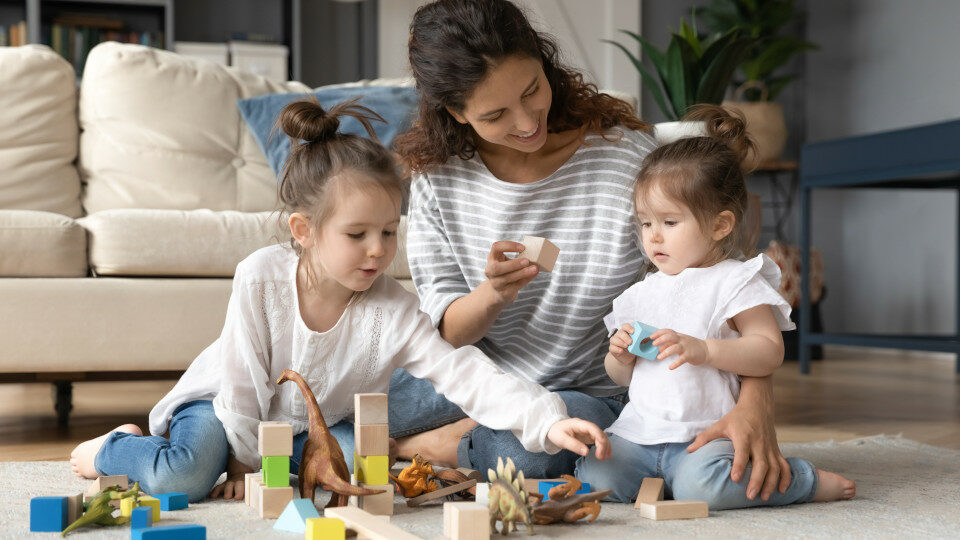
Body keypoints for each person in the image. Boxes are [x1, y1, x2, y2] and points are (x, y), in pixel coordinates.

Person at [68, 98, 610, 502]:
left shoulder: (391, 304)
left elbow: (462, 371)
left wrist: (545, 421)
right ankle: (112, 448)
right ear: (304, 230)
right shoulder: (261, 278)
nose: (378, 251)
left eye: (389, 232)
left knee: (354, 475)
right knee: (184, 475)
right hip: (225, 409)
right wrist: (240, 462)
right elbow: (241, 381)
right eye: (357, 236)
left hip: (317, 423)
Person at [390, 0, 792, 502]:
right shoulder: (439, 178)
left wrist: (757, 401)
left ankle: (409, 446)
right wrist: (492, 294)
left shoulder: (625, 158)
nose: (526, 121)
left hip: (588, 389)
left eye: (532, 90)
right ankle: (462, 425)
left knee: (534, 455)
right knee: (356, 394)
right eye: (495, 114)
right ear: (456, 112)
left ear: (544, 61)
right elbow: (444, 334)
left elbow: (718, 284)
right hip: (473, 375)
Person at [574, 105, 856, 508]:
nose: (654, 237)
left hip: (707, 435)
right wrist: (619, 356)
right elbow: (621, 379)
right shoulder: (641, 292)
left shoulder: (734, 280)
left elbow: (768, 350)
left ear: (720, 225)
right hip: (639, 433)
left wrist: (705, 349)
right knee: (595, 478)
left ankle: (801, 481)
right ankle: (668, 481)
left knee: (704, 488)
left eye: (670, 223)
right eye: (645, 223)